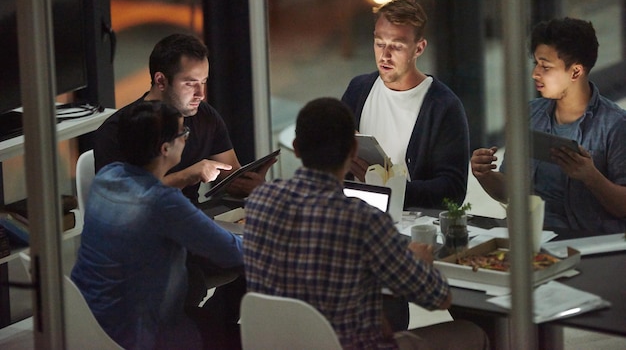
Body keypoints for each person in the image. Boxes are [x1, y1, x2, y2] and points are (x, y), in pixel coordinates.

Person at [243, 97, 489, 350]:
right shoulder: (364, 220)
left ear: (295, 147)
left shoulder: (260, 201)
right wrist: (418, 264)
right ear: (353, 150)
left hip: (277, 343)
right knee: (470, 332)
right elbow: (439, 298)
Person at [71, 101, 244, 350]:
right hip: (142, 334)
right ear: (165, 148)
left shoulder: (107, 176)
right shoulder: (163, 203)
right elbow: (232, 252)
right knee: (251, 336)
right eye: (183, 133)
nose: (186, 138)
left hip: (91, 322)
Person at [471, 17, 626, 234]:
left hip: (583, 244)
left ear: (575, 72)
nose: (535, 73)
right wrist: (485, 174)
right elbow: (509, 191)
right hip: (527, 237)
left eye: (545, 66)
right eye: (536, 63)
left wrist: (591, 176)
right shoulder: (529, 114)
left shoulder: (615, 125)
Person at [94, 33, 275, 205]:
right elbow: (120, 202)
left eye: (203, 82)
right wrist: (187, 175)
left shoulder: (206, 117)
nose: (201, 94)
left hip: (190, 218)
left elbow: (230, 178)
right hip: (144, 230)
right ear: (161, 81)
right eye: (190, 84)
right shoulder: (118, 130)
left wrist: (253, 185)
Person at [341, 0, 470, 209]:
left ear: (418, 49)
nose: (385, 55)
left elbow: (452, 190)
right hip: (355, 216)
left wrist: (388, 188)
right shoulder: (358, 90)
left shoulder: (443, 107)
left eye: (397, 47)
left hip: (409, 224)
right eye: (379, 44)